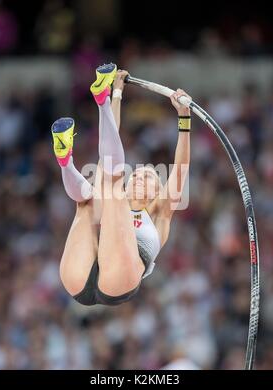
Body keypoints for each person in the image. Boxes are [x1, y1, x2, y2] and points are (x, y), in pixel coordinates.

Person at [51, 63, 191, 306]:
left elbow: (180, 168)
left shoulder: (160, 212)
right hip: (79, 271)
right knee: (88, 201)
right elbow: (111, 139)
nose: (138, 177)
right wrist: (116, 92)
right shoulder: (116, 197)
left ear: (158, 192)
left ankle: (100, 104)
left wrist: (184, 117)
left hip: (120, 279)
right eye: (136, 175)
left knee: (107, 185)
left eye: (148, 177)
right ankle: (66, 163)